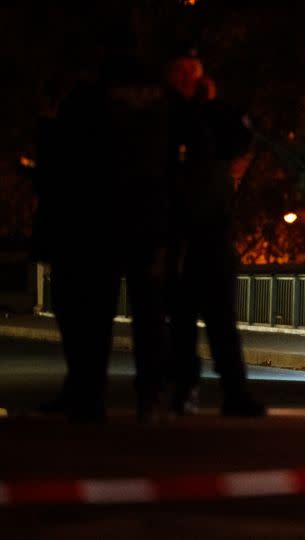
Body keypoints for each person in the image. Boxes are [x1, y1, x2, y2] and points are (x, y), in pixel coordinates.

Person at [36, 26, 172, 422]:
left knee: (93, 314)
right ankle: (151, 396)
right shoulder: (160, 98)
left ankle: (89, 395)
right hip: (149, 215)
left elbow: (67, 156)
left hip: (101, 217)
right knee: (149, 313)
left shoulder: (88, 96)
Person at [165, 48, 265, 417]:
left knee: (217, 320)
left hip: (207, 231)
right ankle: (188, 389)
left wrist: (210, 104)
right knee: (185, 322)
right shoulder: (172, 116)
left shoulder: (209, 117)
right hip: (183, 233)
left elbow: (241, 137)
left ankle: (230, 392)